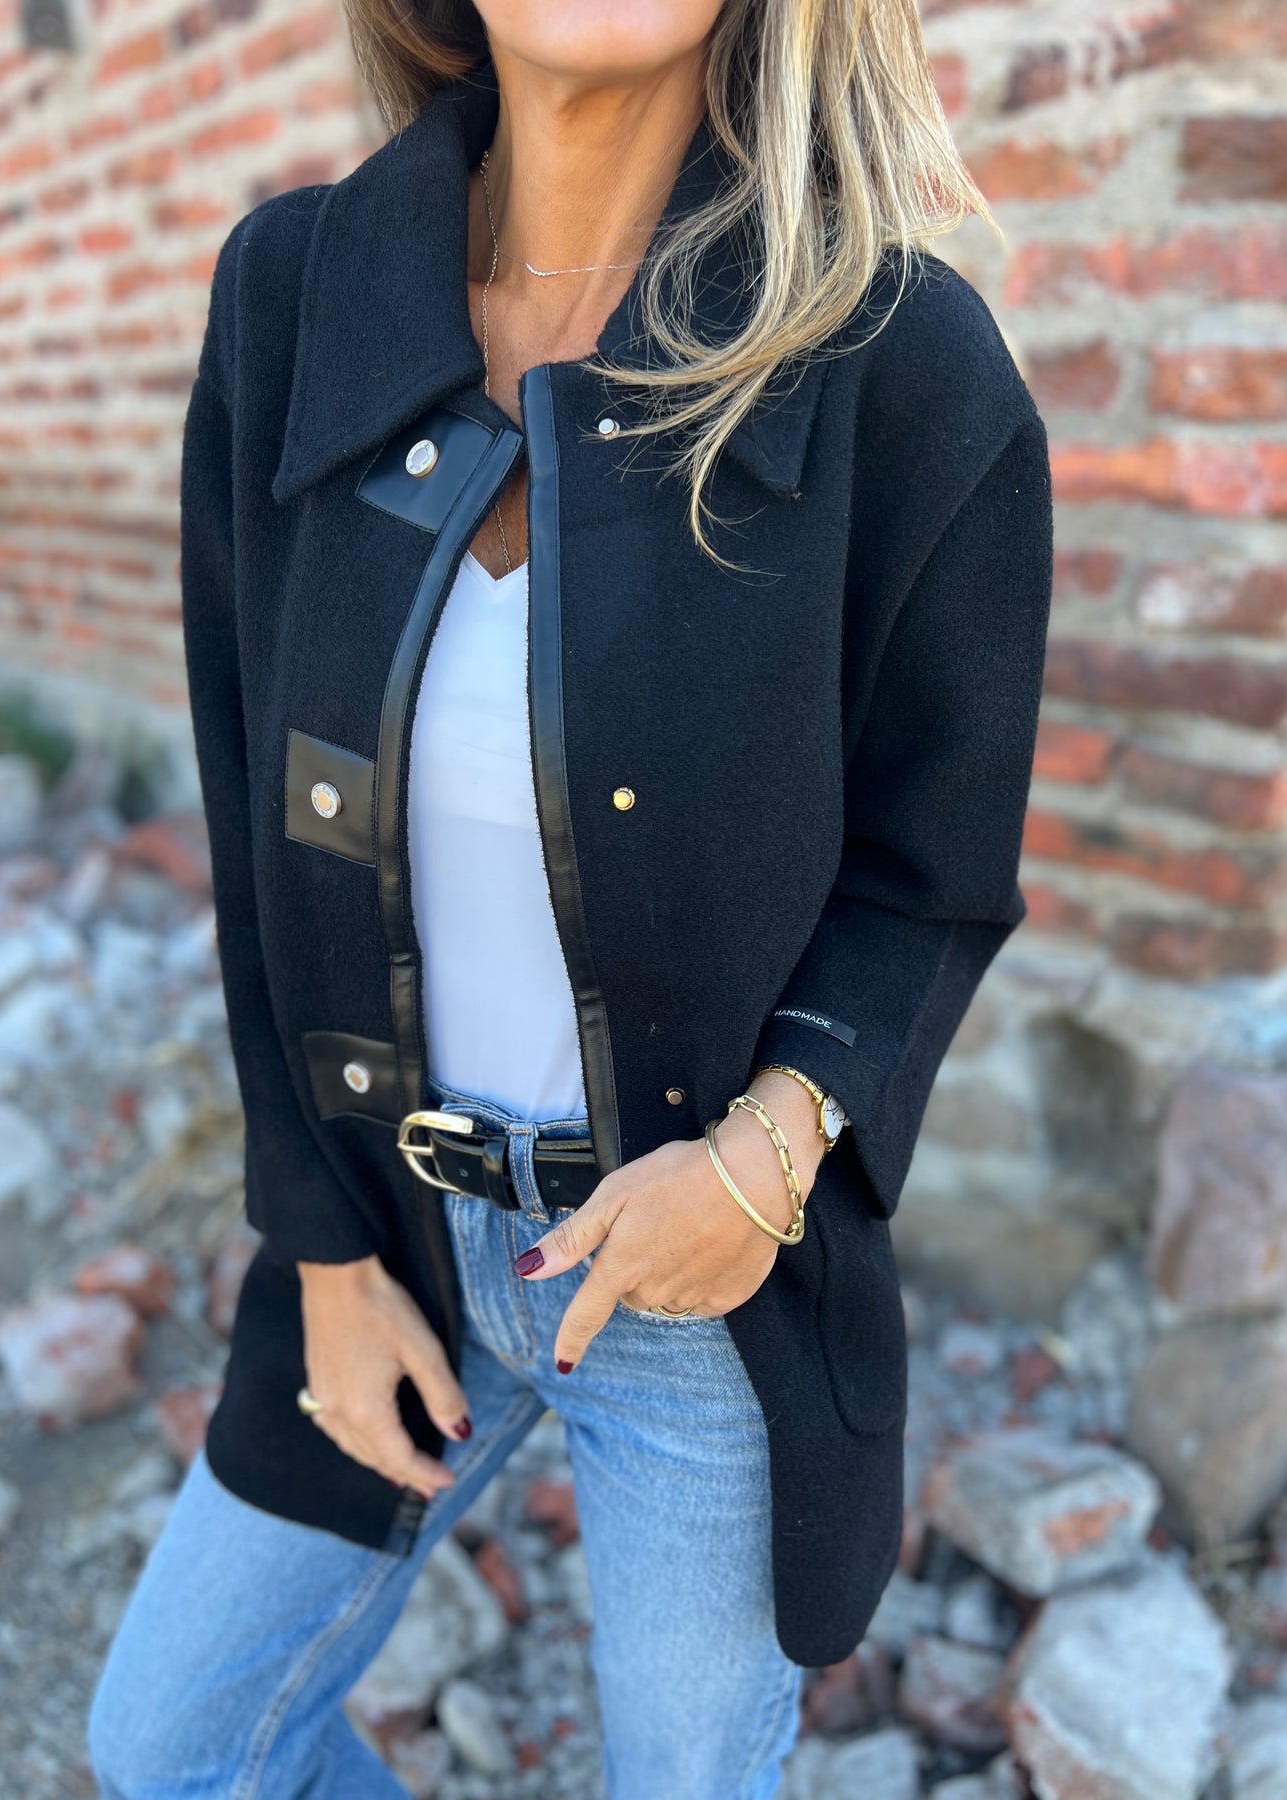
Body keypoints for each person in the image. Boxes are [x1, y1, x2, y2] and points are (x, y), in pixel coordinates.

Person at [88, 2, 1053, 1794]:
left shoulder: (898, 363)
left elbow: (931, 882)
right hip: (388, 1234)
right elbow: (249, 818)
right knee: (173, 1745)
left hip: (697, 1275)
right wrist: (320, 1251)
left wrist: (755, 1168)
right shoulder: (294, 295)